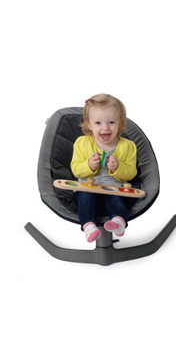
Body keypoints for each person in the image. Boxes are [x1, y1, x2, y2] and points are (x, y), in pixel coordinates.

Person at [71, 94, 137, 243]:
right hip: (87, 187)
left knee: (116, 200)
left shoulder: (128, 146)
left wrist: (118, 167)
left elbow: (131, 172)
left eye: (111, 122)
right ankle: (89, 226)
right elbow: (75, 169)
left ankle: (118, 222)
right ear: (89, 124)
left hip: (114, 188)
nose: (105, 128)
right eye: (98, 123)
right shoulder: (81, 143)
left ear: (120, 123)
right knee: (85, 197)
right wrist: (89, 165)